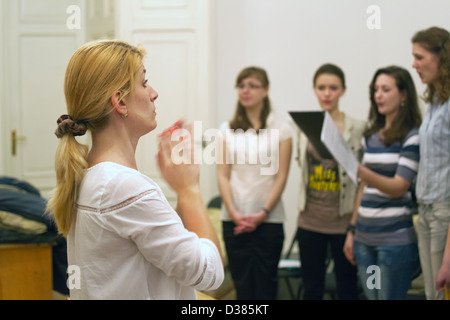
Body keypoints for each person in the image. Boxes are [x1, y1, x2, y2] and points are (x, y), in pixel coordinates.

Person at [46, 40, 224, 300]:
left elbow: (156, 245)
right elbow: (210, 275)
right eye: (144, 82)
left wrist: (178, 195)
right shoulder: (123, 186)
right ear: (120, 102)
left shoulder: (93, 176)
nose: (154, 92)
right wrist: (189, 190)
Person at [344, 66, 422, 300]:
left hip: (393, 243)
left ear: (403, 95)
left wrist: (360, 171)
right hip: (364, 240)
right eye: (376, 89)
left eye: (386, 89)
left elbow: (399, 186)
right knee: (372, 297)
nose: (378, 95)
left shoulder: (412, 135)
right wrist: (352, 230)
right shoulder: (371, 135)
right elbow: (363, 188)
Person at [217, 66, 292, 300]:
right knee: (243, 288)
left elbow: (281, 176)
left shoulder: (281, 128)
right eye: (241, 85)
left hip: (269, 221)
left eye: (252, 85)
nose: (246, 90)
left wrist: (263, 212)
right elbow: (223, 175)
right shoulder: (226, 130)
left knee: (266, 288)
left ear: (266, 90)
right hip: (234, 221)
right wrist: (233, 211)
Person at [296, 64, 365, 300]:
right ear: (314, 90)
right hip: (310, 220)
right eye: (321, 87)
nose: (327, 93)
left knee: (347, 288)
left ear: (343, 91)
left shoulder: (357, 127)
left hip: (342, 222)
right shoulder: (303, 125)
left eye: (333, 88)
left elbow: (361, 177)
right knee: (312, 288)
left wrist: (353, 227)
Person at [412, 26, 450, 300]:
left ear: (442, 57)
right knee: (431, 294)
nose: (414, 64)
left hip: (444, 213)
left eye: (420, 57)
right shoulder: (434, 100)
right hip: (425, 210)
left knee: (440, 293)